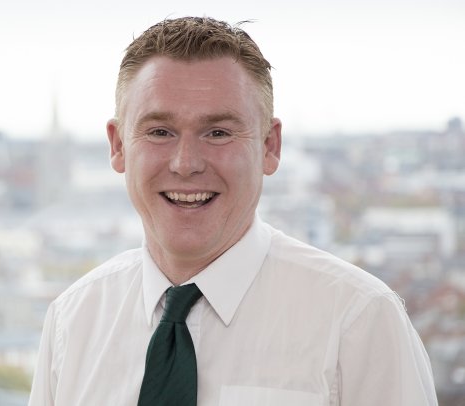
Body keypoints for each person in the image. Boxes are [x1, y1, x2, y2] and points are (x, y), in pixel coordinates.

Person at [28, 16, 437, 406]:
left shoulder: (359, 322)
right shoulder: (72, 321)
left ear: (269, 147)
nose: (185, 163)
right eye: (159, 132)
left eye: (218, 132)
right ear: (118, 146)